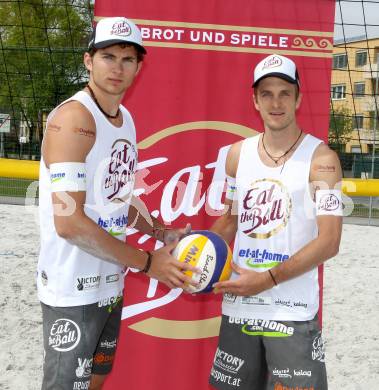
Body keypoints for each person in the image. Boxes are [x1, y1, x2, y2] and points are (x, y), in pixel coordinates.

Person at [37, 16, 197, 390]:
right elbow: (69, 223)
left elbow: (117, 197)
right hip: (71, 287)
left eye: (128, 59)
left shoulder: (125, 119)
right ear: (88, 60)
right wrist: (148, 263)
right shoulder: (73, 119)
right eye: (108, 56)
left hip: (109, 280)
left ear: (139, 67)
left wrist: (158, 231)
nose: (118, 67)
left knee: (97, 378)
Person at [209, 54, 343, 390]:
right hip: (241, 308)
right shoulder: (237, 155)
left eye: (285, 92)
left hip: (292, 313)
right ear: (254, 100)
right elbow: (230, 220)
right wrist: (197, 254)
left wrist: (267, 280)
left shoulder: (322, 160)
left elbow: (329, 241)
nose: (276, 102)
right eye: (266, 93)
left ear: (298, 97)